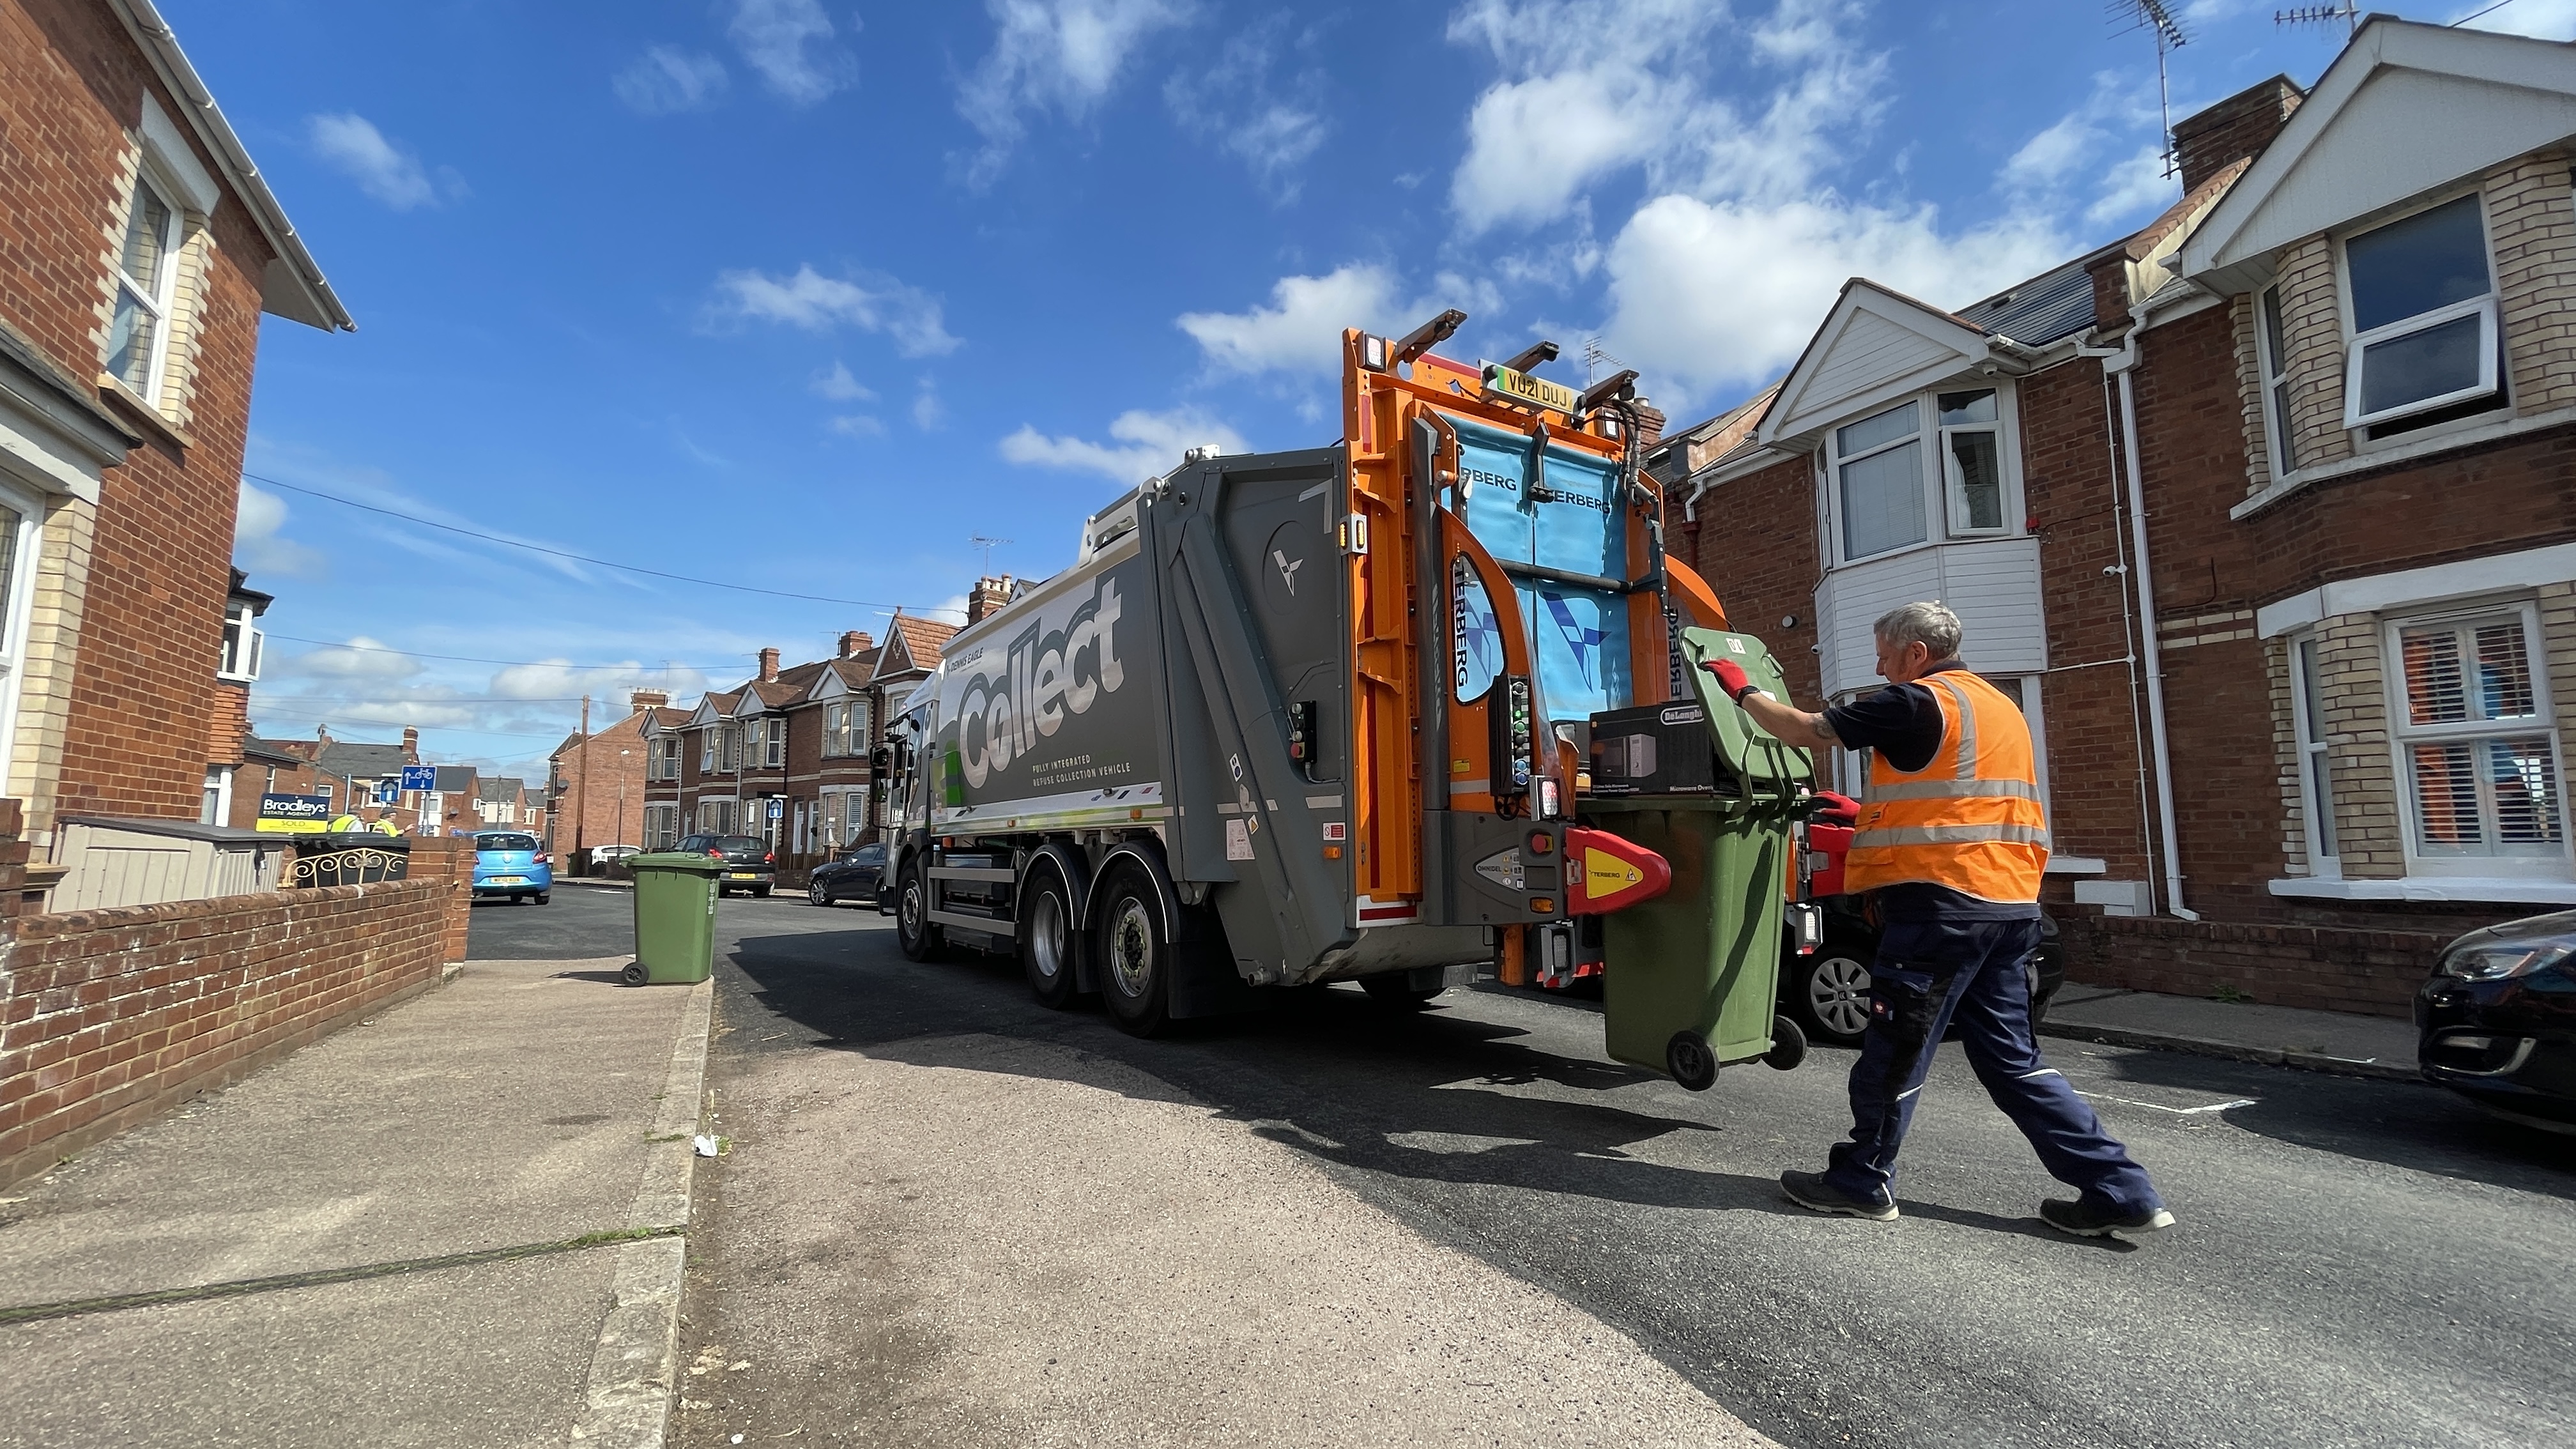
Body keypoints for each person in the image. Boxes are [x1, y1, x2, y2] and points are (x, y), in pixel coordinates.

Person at [1703, 601, 2174, 1239]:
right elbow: (1959, 796)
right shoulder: (2000, 706)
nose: (1879, 668)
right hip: (2010, 908)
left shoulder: (1917, 701)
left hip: (1941, 909)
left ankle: (1861, 1180)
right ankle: (2120, 1189)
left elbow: (1804, 730)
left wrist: (1741, 688)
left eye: (1884, 656)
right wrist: (1871, 816)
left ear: (1917, 653)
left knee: (1896, 1050)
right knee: (2014, 1063)